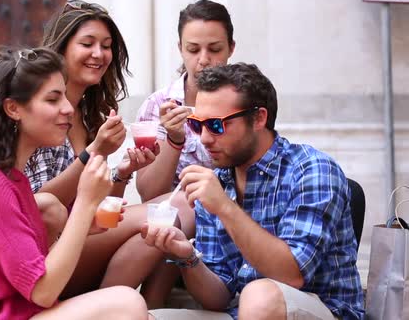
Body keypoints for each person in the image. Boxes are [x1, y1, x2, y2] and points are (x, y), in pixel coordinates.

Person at [0, 46, 149, 319]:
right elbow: (43, 290)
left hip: (21, 312)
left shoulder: (8, 179)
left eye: (64, 97)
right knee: (127, 303)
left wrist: (84, 222)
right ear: (13, 108)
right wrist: (85, 203)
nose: (68, 109)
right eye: (52, 99)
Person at [144, 63, 365, 319]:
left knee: (260, 297)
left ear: (259, 118)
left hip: (324, 310)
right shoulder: (218, 181)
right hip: (244, 311)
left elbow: (292, 274)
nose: (204, 138)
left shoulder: (312, 169)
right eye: (196, 125)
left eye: (216, 125)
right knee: (142, 315)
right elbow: (218, 298)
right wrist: (187, 257)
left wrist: (225, 207)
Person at [23, 0, 174, 305]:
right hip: (42, 252)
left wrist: (122, 172)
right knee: (175, 210)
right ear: (61, 48)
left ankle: (124, 310)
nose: (99, 54)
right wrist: (94, 152)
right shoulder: (38, 111)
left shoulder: (93, 114)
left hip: (84, 235)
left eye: (106, 46)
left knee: (160, 228)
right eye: (87, 44)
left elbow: (97, 201)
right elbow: (32, 204)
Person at [136, 0, 235, 202]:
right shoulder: (159, 104)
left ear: (231, 48)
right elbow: (149, 194)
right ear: (181, 48)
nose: (204, 59)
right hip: (170, 218)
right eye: (193, 49)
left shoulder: (243, 104)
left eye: (215, 49)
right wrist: (174, 139)